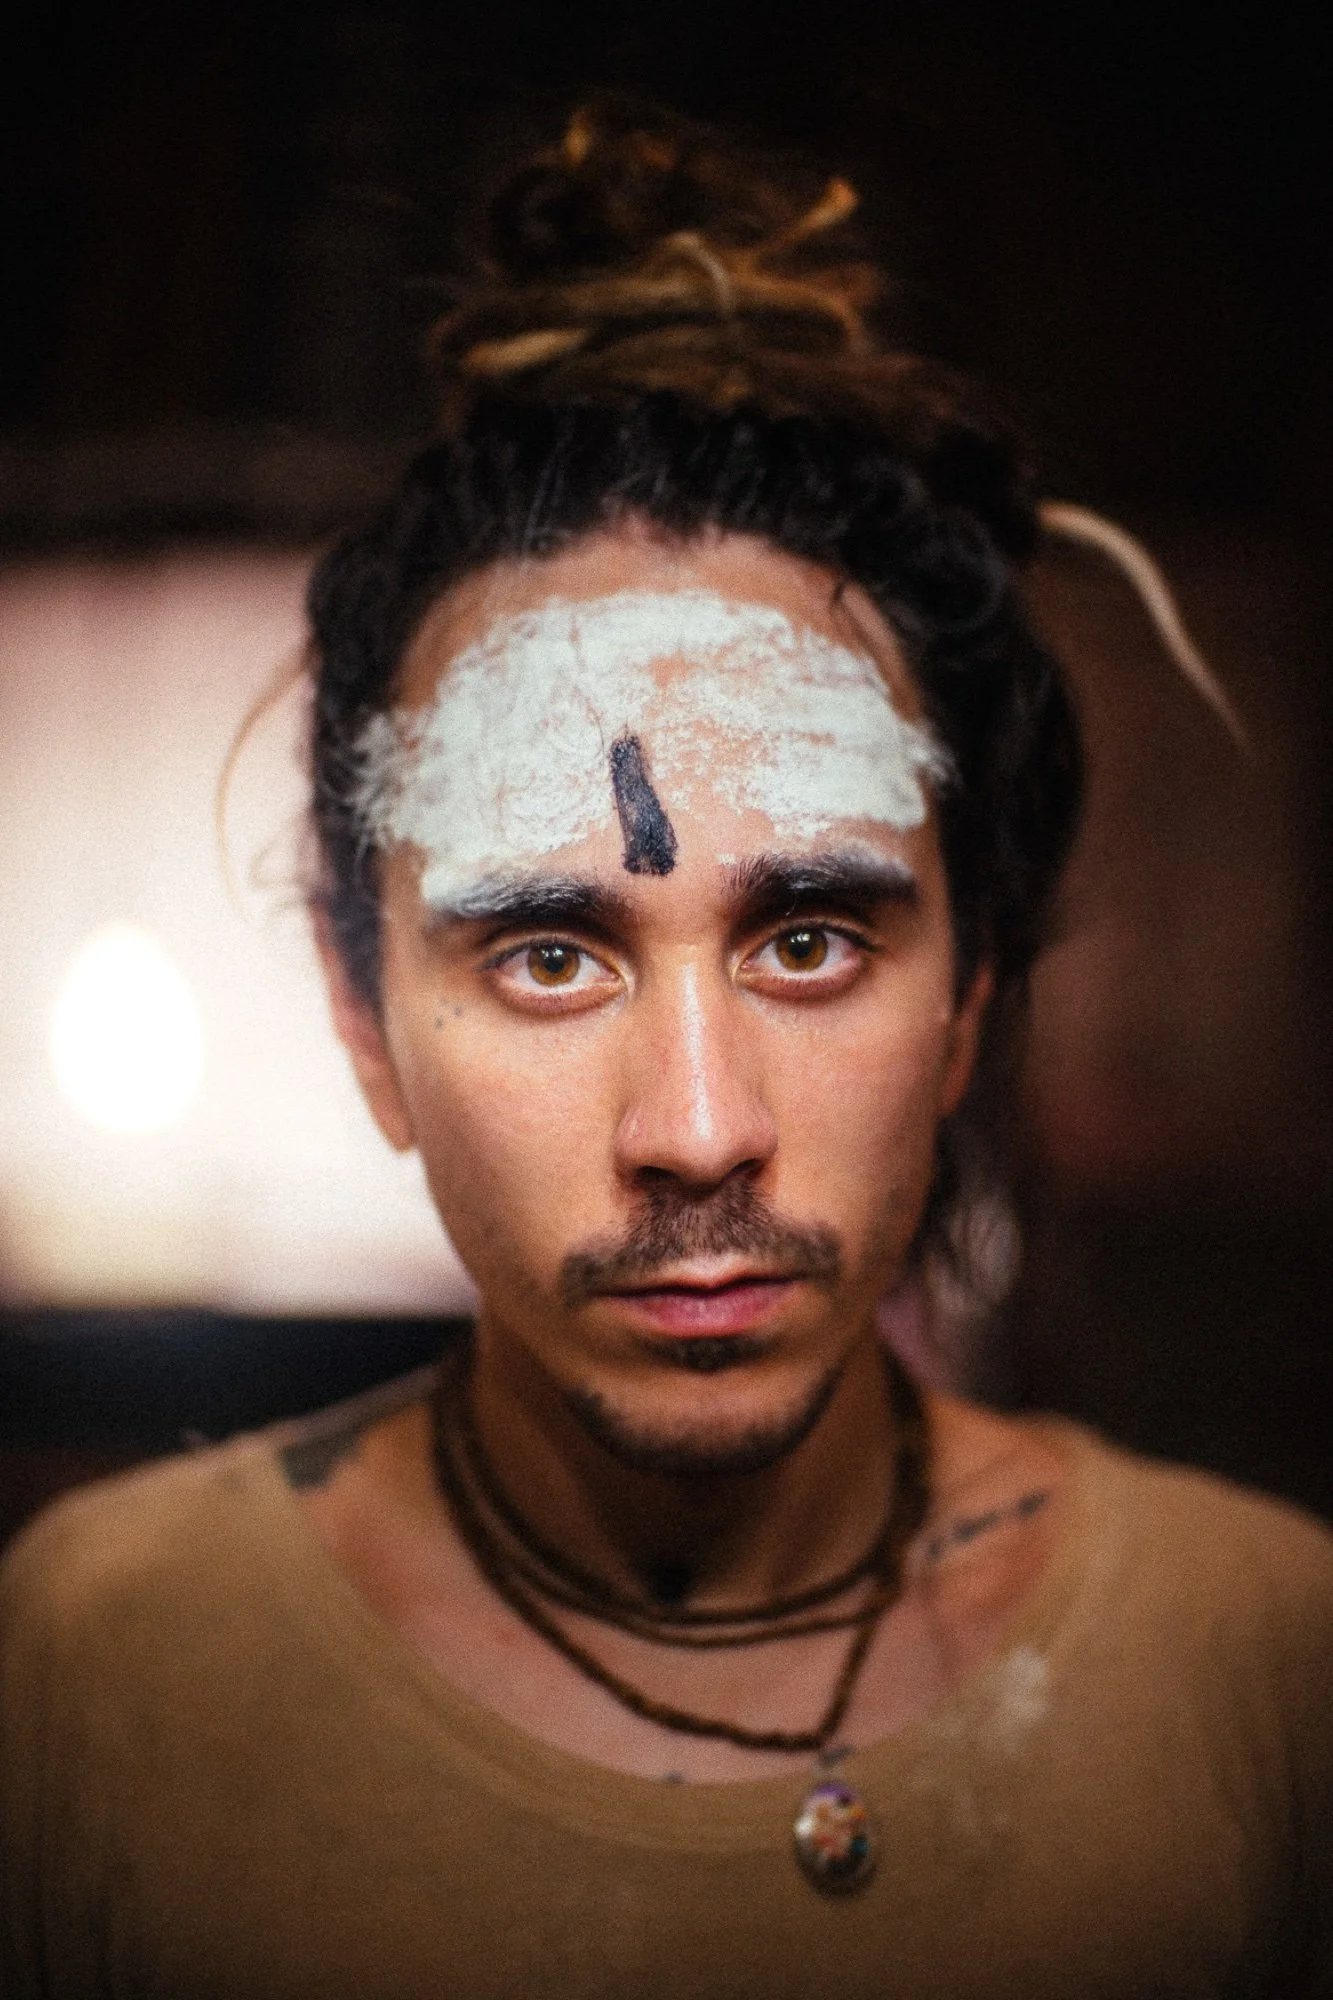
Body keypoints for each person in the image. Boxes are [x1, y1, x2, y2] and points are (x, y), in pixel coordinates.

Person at [2, 102, 1330, 1999]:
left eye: (809, 938)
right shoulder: (93, 1672)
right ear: (362, 1019)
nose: (698, 1130)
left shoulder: (1269, 1659)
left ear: (966, 1005)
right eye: (550, 954)